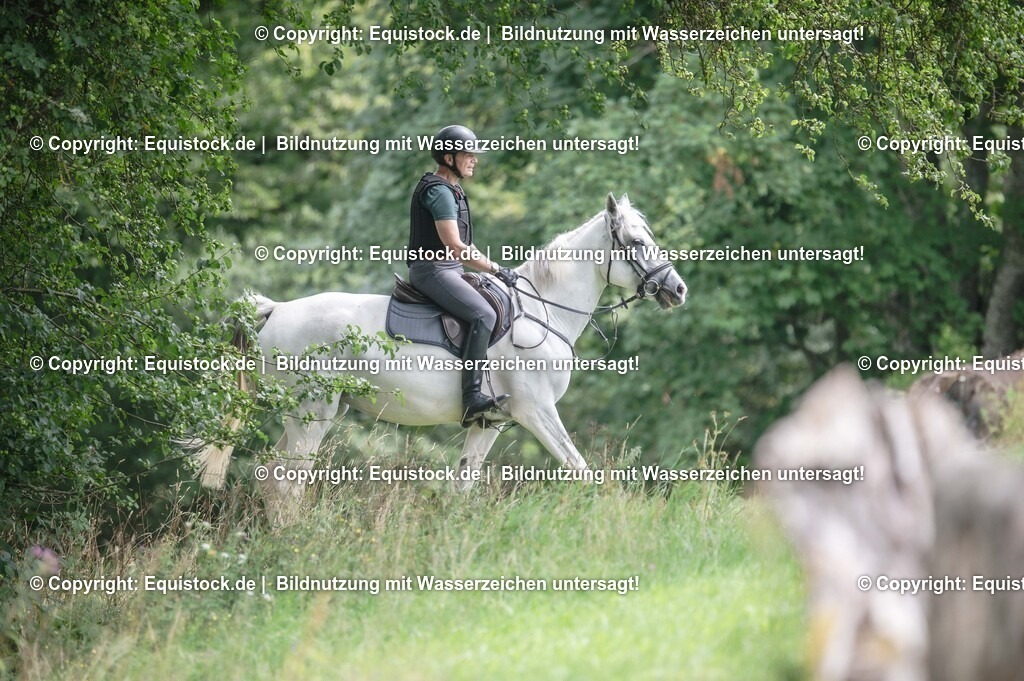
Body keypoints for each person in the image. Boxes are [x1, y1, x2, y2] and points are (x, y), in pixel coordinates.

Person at [407, 124, 519, 427]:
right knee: (484, 314)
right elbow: (455, 246)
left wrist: (491, 270)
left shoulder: (452, 189)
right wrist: (496, 269)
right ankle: (471, 398)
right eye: (468, 154)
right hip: (431, 270)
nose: (475, 160)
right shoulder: (439, 193)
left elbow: (463, 247)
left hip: (448, 269)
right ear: (448, 157)